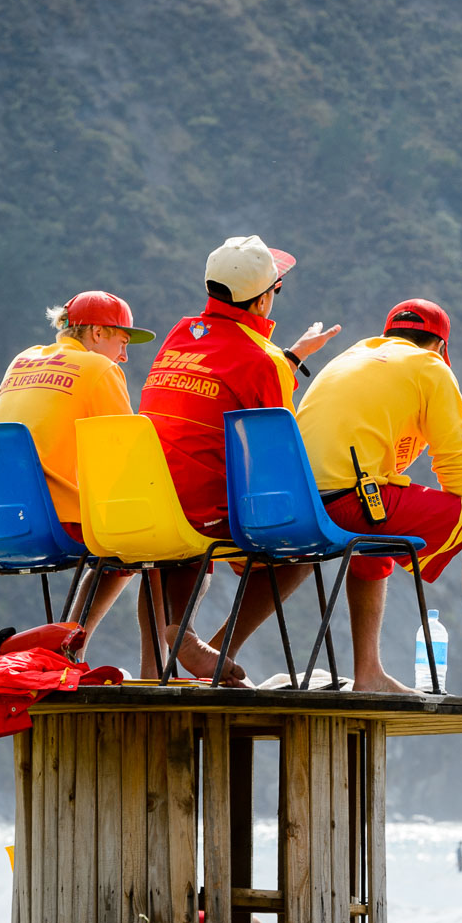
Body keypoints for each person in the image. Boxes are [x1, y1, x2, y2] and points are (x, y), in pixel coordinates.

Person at [294, 299, 462, 701]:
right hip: (349, 502)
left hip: (299, 504)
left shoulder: (353, 355)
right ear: (441, 347)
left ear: (389, 334)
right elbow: (459, 475)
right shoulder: (430, 368)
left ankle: (367, 671)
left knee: (377, 527)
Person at [139, 235, 340, 682]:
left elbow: (225, 376)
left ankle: (157, 667)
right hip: (203, 513)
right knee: (303, 545)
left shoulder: (180, 334)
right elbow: (272, 453)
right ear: (264, 299)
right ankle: (219, 645)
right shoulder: (263, 362)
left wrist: (290, 357)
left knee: (167, 540)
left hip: (145, 502)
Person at [0, 291, 152, 648]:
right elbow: (128, 458)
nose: (124, 356)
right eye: (122, 342)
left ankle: (66, 642)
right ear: (97, 333)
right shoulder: (99, 369)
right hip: (55, 524)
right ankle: (82, 646)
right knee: (145, 541)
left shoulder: (21, 361)